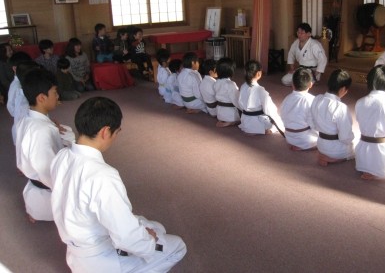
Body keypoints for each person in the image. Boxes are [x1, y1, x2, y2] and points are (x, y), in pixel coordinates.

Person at [50, 97, 187, 272]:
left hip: (77, 252)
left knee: (156, 227)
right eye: (117, 132)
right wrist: (149, 241)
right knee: (177, 246)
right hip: (101, 260)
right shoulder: (103, 175)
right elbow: (126, 238)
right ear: (105, 132)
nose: (116, 137)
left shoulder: (62, 156)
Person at [17, 68, 62, 222]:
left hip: (34, 185)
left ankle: (33, 211)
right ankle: (41, 212)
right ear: (42, 98)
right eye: (55, 92)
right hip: (47, 191)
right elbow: (47, 172)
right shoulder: (41, 130)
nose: (57, 96)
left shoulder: (26, 120)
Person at [310, 69, 355, 165]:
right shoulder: (341, 107)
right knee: (356, 150)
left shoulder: (317, 99)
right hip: (337, 150)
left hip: (321, 144)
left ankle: (325, 155)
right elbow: (345, 138)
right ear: (343, 89)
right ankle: (335, 159)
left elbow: (311, 123)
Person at [238, 60, 284, 135]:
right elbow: (269, 109)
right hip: (257, 122)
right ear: (258, 73)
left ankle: (251, 128)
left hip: (245, 120)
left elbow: (240, 104)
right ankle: (267, 130)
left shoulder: (243, 86)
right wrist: (280, 125)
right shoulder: (260, 90)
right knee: (278, 119)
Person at [280, 68, 318, 151]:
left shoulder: (286, 98)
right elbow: (314, 123)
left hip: (289, 136)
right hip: (305, 138)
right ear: (311, 84)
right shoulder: (312, 100)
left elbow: (282, 116)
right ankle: (304, 146)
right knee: (329, 140)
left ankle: (298, 143)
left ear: (292, 85)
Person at [214, 57, 240, 127]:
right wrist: (243, 108)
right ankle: (230, 122)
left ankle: (223, 120)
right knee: (244, 117)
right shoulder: (231, 84)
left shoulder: (216, 82)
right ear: (231, 71)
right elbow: (236, 100)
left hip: (219, 112)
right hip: (230, 114)